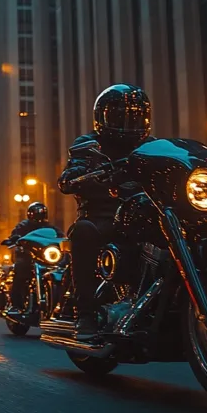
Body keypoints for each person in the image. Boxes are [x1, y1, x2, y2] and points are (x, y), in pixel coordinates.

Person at [58, 83, 153, 340]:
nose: (127, 122)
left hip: (145, 216)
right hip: (103, 216)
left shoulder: (152, 146)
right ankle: (86, 313)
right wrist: (80, 174)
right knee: (84, 231)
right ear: (103, 116)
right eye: (119, 115)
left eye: (135, 116)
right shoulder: (89, 144)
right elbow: (70, 175)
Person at [5, 202, 63, 314]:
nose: (38, 215)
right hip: (26, 256)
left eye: (41, 212)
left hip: (44, 257)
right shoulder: (23, 226)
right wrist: (14, 238)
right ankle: (15, 305)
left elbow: (60, 236)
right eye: (36, 212)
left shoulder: (50, 228)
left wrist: (65, 240)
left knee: (61, 269)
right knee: (20, 271)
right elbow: (15, 234)